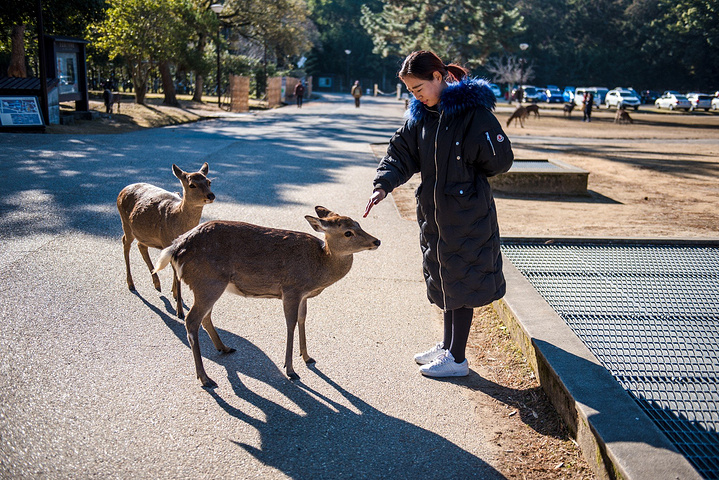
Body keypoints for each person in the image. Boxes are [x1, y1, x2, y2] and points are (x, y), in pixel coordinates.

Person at [363, 50, 514, 378]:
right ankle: (447, 346)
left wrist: (477, 152)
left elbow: (499, 161)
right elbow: (400, 154)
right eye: (409, 90)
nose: (413, 95)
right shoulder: (420, 116)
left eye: (417, 88)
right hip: (435, 213)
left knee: (461, 284)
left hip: (467, 214)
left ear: (438, 77)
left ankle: (457, 359)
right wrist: (383, 185)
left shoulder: (473, 113)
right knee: (446, 280)